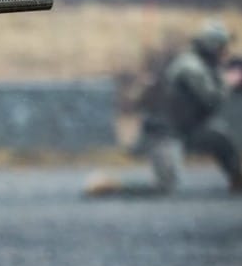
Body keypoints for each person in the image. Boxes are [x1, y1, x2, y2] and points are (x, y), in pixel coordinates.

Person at [86, 20, 242, 196]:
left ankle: (237, 180)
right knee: (165, 187)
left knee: (220, 137)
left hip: (188, 130)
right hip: (164, 132)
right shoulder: (190, 66)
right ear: (212, 46)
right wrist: (228, 81)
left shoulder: (204, 65)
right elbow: (211, 99)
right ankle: (110, 186)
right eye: (222, 47)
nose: (225, 52)